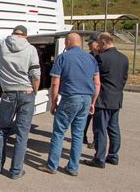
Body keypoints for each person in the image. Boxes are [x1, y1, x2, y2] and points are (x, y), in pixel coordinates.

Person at [0, 16, 41, 180]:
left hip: (8, 94)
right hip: (26, 94)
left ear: (13, 34)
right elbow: (36, 75)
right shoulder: (31, 49)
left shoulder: (2, 44)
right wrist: (34, 91)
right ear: (25, 36)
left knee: (3, 130)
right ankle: (15, 171)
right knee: (22, 133)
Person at [38, 33, 100, 176]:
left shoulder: (63, 57)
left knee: (59, 132)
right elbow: (97, 83)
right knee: (77, 134)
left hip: (70, 97)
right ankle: (73, 167)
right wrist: (93, 102)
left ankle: (52, 165)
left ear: (67, 42)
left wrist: (54, 102)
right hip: (86, 98)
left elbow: (55, 82)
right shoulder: (91, 58)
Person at [82, 33, 129, 168]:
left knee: (100, 129)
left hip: (103, 98)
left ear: (103, 43)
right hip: (116, 97)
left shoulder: (101, 58)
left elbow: (94, 78)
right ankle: (113, 155)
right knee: (113, 128)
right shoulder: (124, 58)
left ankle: (99, 158)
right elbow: (124, 78)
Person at [83, 36, 100, 149]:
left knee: (97, 118)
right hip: (89, 89)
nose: (89, 45)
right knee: (86, 116)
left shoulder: (102, 57)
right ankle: (82, 135)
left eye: (91, 43)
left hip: (99, 91)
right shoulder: (89, 56)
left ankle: (95, 140)